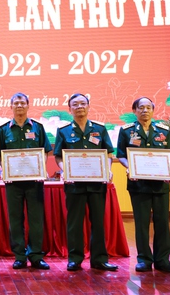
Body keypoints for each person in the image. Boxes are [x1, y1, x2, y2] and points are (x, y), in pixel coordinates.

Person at [54, 93, 118, 272]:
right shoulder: (63, 131)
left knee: (98, 222)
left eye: (83, 103)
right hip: (74, 184)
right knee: (74, 223)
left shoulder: (100, 129)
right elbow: (58, 155)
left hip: (97, 183)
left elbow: (108, 153)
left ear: (88, 107)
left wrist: (108, 169)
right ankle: (74, 259)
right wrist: (64, 170)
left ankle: (99, 259)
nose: (79, 107)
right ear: (70, 109)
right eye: (75, 104)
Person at [117, 97, 170, 273]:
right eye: (141, 107)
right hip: (138, 185)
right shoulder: (126, 131)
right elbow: (121, 155)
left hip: (160, 185)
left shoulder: (164, 131)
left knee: (162, 223)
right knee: (141, 223)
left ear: (153, 110)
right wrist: (130, 168)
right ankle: (144, 259)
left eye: (148, 107)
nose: (145, 110)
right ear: (134, 111)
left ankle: (163, 260)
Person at [0, 92, 52, 270]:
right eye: (16, 103)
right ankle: (19, 256)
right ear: (11, 106)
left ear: (28, 106)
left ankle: (36, 255)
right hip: (13, 183)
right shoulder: (4, 129)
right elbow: (0, 155)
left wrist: (41, 168)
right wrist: (8, 170)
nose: (19, 106)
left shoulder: (38, 127)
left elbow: (45, 151)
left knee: (36, 220)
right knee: (15, 220)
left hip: (34, 182)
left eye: (22, 103)